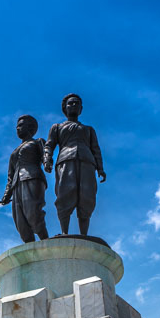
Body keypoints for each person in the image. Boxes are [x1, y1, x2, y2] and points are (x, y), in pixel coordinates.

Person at [43, 93, 105, 236]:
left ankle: (84, 234)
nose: (73, 106)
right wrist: (47, 159)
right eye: (70, 104)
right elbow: (49, 145)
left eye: (76, 103)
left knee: (87, 196)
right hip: (65, 161)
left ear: (81, 109)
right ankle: (64, 232)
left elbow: (96, 149)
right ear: (64, 108)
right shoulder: (57, 127)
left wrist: (100, 168)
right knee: (65, 194)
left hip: (87, 163)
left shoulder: (89, 129)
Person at [2, 115, 49, 243]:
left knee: (33, 212)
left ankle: (46, 242)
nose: (17, 128)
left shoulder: (37, 142)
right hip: (17, 184)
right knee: (20, 219)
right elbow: (10, 176)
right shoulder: (14, 152)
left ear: (31, 128)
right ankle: (31, 249)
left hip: (32, 178)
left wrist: (47, 164)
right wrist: (6, 195)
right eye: (17, 126)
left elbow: (46, 156)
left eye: (21, 125)